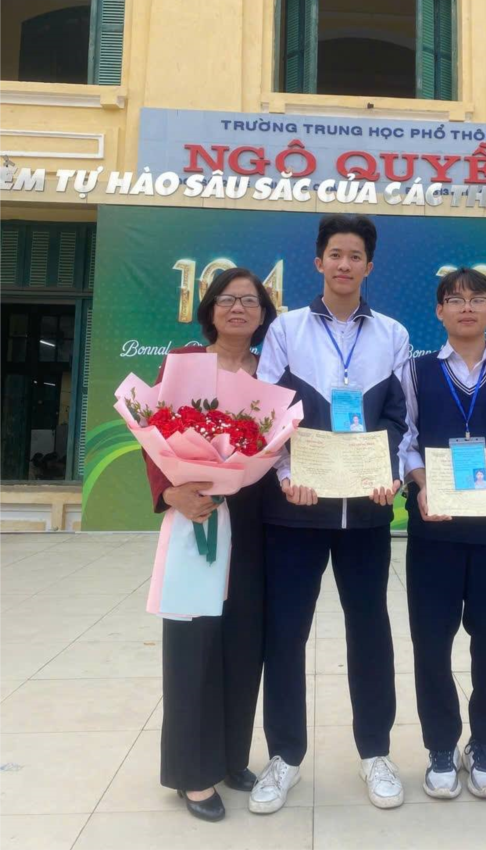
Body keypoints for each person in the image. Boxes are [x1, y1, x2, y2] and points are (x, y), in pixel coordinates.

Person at [251, 214, 409, 815]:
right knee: (286, 633)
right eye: (335, 254)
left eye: (355, 256)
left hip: (366, 512)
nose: (345, 264)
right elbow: (269, 413)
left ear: (369, 266)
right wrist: (285, 477)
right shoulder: (286, 329)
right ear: (318, 262)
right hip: (296, 511)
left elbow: (400, 419)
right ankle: (284, 756)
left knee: (370, 630)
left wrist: (389, 474)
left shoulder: (392, 334)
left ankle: (376, 752)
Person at [143, 267, 277, 822]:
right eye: (226, 299)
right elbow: (151, 433)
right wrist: (170, 491)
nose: (238, 308)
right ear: (210, 309)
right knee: (193, 642)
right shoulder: (183, 362)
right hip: (197, 510)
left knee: (245, 642)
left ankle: (229, 757)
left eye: (249, 300)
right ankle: (192, 772)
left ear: (264, 314)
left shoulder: (272, 369)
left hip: (257, 521)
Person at [401, 267, 486, 801]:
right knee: (431, 641)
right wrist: (421, 484)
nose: (466, 308)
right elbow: (406, 440)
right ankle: (440, 745)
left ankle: (484, 744)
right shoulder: (416, 371)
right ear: (439, 311)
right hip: (434, 525)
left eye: (478, 299)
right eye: (455, 300)